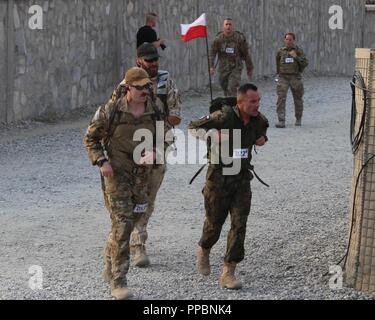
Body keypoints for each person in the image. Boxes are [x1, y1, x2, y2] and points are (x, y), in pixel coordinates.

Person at [84, 67, 160, 300]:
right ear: (128, 87)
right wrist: (101, 161)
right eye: (139, 88)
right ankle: (119, 281)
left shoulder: (154, 110)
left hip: (141, 177)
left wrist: (157, 152)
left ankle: (109, 257)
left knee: (134, 219)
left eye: (147, 86)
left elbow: (164, 136)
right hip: (116, 175)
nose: (144, 91)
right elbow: (91, 138)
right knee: (124, 223)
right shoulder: (111, 110)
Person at [188, 83, 269, 290]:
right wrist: (212, 135)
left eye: (258, 100)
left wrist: (261, 139)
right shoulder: (223, 117)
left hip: (242, 179)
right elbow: (193, 127)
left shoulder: (259, 120)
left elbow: (262, 136)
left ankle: (228, 271)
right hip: (218, 179)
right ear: (240, 102)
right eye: (252, 101)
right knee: (214, 224)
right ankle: (204, 248)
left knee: (239, 224)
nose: (257, 105)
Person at [128, 42, 181, 266]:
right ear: (139, 60)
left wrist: (155, 127)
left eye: (156, 59)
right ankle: (128, 240)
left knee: (148, 195)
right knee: (129, 195)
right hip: (131, 147)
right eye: (149, 60)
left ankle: (137, 243)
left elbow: (176, 115)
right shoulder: (127, 82)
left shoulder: (165, 81)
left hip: (158, 145)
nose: (154, 63)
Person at [210, 18, 254, 97]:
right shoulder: (218, 39)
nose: (228, 26)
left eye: (230, 24)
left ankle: (233, 107)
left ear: (233, 26)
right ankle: (229, 104)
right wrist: (211, 66)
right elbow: (212, 53)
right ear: (223, 26)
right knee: (225, 87)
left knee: (232, 87)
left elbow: (246, 53)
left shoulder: (239, 38)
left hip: (236, 67)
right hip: (223, 68)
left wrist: (249, 68)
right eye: (226, 24)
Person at [275, 32, 308, 128]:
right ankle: (281, 120)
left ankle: (298, 118)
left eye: (290, 39)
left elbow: (305, 63)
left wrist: (296, 57)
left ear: (293, 40)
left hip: (295, 77)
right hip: (283, 77)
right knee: (281, 98)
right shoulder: (281, 51)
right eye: (287, 39)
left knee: (298, 99)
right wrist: (278, 74)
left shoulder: (298, 51)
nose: (288, 41)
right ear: (284, 40)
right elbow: (277, 63)